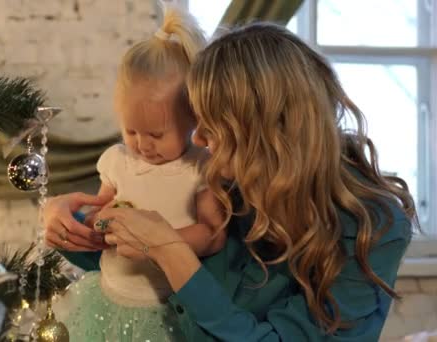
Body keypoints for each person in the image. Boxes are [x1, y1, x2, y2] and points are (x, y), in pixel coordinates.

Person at [45, 22, 416, 342]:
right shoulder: (229, 183)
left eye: (213, 125)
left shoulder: (371, 227)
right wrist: (66, 228)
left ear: (267, 132)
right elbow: (131, 270)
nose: (199, 140)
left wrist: (172, 252)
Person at [47, 5, 227, 341]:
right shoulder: (117, 161)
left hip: (168, 307)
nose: (143, 145)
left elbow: (213, 234)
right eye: (131, 131)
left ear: (193, 119)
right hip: (111, 295)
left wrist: (158, 242)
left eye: (157, 134)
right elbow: (102, 208)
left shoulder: (199, 166)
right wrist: (92, 222)